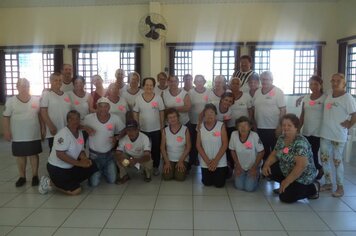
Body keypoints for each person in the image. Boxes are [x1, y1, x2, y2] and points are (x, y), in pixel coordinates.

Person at [262, 114, 319, 203]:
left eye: (289, 125)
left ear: (296, 127)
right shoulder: (281, 138)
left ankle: (312, 188)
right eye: (284, 125)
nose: (286, 128)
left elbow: (301, 166)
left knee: (285, 197)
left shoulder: (300, 142)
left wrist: (286, 181)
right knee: (267, 169)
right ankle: (286, 186)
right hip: (288, 170)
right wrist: (266, 165)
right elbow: (274, 154)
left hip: (302, 176)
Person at [38, 110, 97, 195]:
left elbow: (81, 149)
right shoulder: (63, 134)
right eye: (72, 119)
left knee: (92, 164)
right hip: (57, 168)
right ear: (68, 120)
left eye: (77, 118)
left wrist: (84, 159)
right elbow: (60, 155)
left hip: (70, 167)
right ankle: (49, 182)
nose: (75, 121)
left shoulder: (79, 132)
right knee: (76, 191)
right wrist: (79, 163)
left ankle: (67, 182)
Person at [319, 73, 356, 197]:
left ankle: (340, 187)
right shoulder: (330, 93)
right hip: (325, 133)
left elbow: (354, 114)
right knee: (324, 159)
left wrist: (349, 124)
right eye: (333, 80)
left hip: (338, 135)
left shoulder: (347, 98)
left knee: (337, 161)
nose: (334, 83)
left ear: (344, 83)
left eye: (338, 81)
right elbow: (317, 97)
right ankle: (328, 183)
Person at [2, 78, 42, 187]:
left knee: (34, 154)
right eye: (22, 86)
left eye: (27, 86)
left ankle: (35, 176)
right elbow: (6, 117)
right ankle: (22, 177)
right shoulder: (11, 101)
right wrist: (6, 131)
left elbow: (40, 116)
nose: (25, 88)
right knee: (20, 156)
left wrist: (43, 130)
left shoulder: (36, 100)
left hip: (33, 133)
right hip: (18, 134)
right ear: (17, 87)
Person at [83, 97, 125, 187]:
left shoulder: (115, 118)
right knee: (93, 184)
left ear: (109, 108)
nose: (103, 109)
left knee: (112, 180)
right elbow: (77, 125)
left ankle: (101, 170)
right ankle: (99, 170)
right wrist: (85, 128)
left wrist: (117, 137)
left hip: (109, 155)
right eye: (100, 106)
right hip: (94, 156)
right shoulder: (89, 118)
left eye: (105, 106)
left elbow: (124, 130)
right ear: (97, 107)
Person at [133, 77, 165, 176]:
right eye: (147, 85)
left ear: (154, 86)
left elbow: (161, 112)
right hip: (142, 129)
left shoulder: (158, 97)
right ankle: (144, 167)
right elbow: (135, 112)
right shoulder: (138, 98)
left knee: (155, 149)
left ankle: (155, 167)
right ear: (143, 86)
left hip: (156, 129)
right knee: (143, 149)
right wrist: (136, 126)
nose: (149, 87)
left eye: (151, 85)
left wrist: (161, 126)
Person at [252, 71, 286, 162]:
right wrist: (254, 124)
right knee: (263, 151)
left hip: (273, 128)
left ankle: (275, 173)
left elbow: (283, 110)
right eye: (262, 79)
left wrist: (280, 126)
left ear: (271, 80)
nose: (264, 81)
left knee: (276, 152)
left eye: (267, 79)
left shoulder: (278, 92)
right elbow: (254, 108)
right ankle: (265, 171)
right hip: (260, 127)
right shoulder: (257, 92)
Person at [299, 75, 326, 180]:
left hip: (318, 131)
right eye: (311, 84)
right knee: (307, 153)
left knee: (313, 152)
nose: (313, 86)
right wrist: (298, 128)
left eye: (316, 84)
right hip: (306, 130)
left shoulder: (325, 98)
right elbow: (302, 114)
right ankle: (317, 169)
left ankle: (317, 169)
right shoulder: (306, 98)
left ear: (321, 85)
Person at [196, 103, 228, 188]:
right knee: (207, 183)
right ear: (204, 115)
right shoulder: (200, 126)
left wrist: (216, 161)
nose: (209, 115)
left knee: (219, 184)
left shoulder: (221, 125)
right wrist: (207, 161)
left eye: (212, 112)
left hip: (219, 161)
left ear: (216, 114)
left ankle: (227, 170)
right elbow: (198, 145)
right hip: (206, 161)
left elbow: (225, 144)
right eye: (207, 113)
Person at [229, 116, 264, 192]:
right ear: (237, 127)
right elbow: (232, 150)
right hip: (240, 166)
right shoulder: (233, 134)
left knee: (249, 188)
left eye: (245, 125)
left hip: (253, 166)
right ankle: (244, 175)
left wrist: (254, 168)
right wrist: (237, 166)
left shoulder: (254, 135)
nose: (243, 128)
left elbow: (261, 152)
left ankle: (257, 174)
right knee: (239, 186)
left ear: (250, 127)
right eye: (240, 126)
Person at [40, 72, 71, 151]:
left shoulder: (66, 95)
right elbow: (43, 112)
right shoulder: (46, 94)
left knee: (66, 149)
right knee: (55, 151)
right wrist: (51, 126)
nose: (58, 82)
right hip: (54, 129)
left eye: (60, 80)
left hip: (65, 128)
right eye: (55, 80)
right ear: (50, 81)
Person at [161, 108, 191, 181]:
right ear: (167, 120)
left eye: (174, 117)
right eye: (170, 118)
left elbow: (188, 147)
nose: (172, 119)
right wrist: (167, 162)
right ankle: (172, 167)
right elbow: (162, 148)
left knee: (180, 178)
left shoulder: (185, 129)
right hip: (169, 158)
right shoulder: (165, 130)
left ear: (178, 117)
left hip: (182, 157)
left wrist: (181, 161)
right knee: (167, 177)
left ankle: (182, 168)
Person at [187, 75, 211, 167]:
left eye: (201, 81)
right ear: (194, 82)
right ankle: (193, 159)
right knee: (193, 142)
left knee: (204, 141)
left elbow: (209, 106)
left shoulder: (209, 92)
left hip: (205, 122)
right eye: (197, 81)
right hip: (193, 121)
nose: (199, 83)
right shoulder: (191, 92)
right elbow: (188, 106)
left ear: (204, 82)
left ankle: (206, 160)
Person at [67, 76, 91, 144]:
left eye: (81, 82)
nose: (78, 84)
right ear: (73, 84)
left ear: (84, 83)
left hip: (85, 125)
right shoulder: (68, 94)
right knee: (73, 146)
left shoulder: (88, 95)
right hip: (73, 126)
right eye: (76, 83)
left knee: (82, 145)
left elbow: (91, 110)